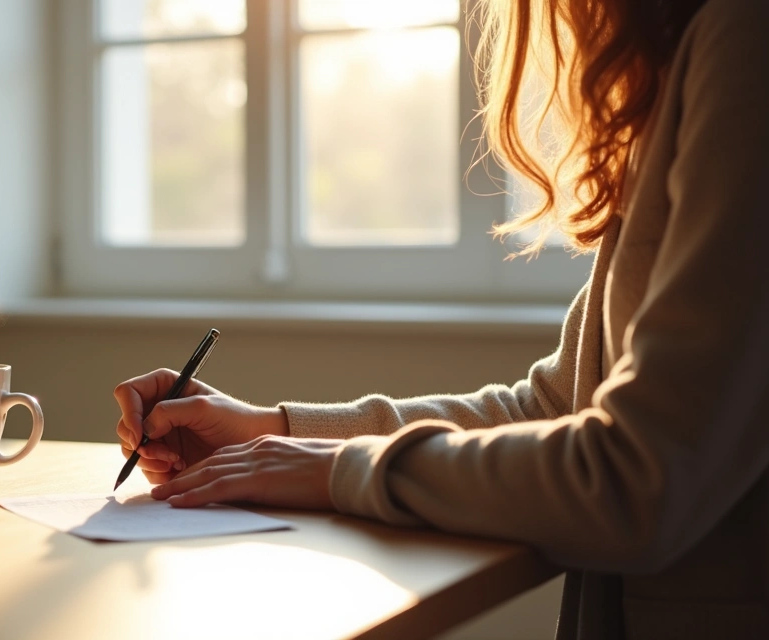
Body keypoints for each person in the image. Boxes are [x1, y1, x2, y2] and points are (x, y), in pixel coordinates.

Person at [112, 0, 769, 637]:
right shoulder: (683, 54)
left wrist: (334, 472)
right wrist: (274, 432)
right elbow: (554, 408)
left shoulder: (743, 37)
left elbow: (639, 481)